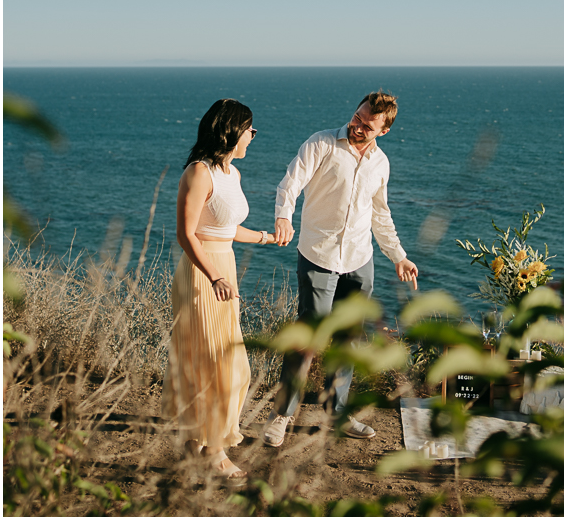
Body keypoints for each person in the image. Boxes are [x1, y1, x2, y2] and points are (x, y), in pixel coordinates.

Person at [263, 90, 418, 447]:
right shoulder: (321, 144)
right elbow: (291, 183)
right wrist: (283, 217)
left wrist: (398, 255)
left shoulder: (381, 164)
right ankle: (282, 415)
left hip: (359, 261)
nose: (358, 126)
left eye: (368, 125)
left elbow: (380, 213)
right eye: (357, 117)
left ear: (384, 130)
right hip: (318, 255)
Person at [161, 98, 278, 479]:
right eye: (250, 129)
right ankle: (213, 451)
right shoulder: (199, 173)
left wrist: (265, 237)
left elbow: (225, 230)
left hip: (223, 268)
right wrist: (213, 275)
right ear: (230, 130)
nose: (253, 136)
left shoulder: (232, 174)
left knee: (216, 366)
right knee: (224, 368)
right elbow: (187, 234)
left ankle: (196, 442)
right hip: (202, 274)